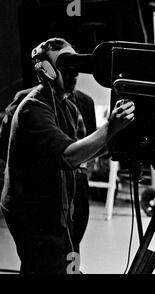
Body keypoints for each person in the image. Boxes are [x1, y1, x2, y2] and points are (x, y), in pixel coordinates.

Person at [0, 37, 135, 274]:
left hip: (59, 204)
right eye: (66, 68)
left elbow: (81, 151)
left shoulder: (69, 105)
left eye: (76, 69)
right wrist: (109, 128)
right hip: (32, 210)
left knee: (64, 263)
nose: (74, 75)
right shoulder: (33, 108)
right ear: (47, 71)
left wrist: (117, 140)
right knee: (43, 266)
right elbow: (68, 157)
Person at [0, 85, 97, 250]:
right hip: (39, 195)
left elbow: (90, 145)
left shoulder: (85, 102)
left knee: (72, 250)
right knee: (43, 257)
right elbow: (6, 145)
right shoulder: (28, 101)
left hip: (76, 189)